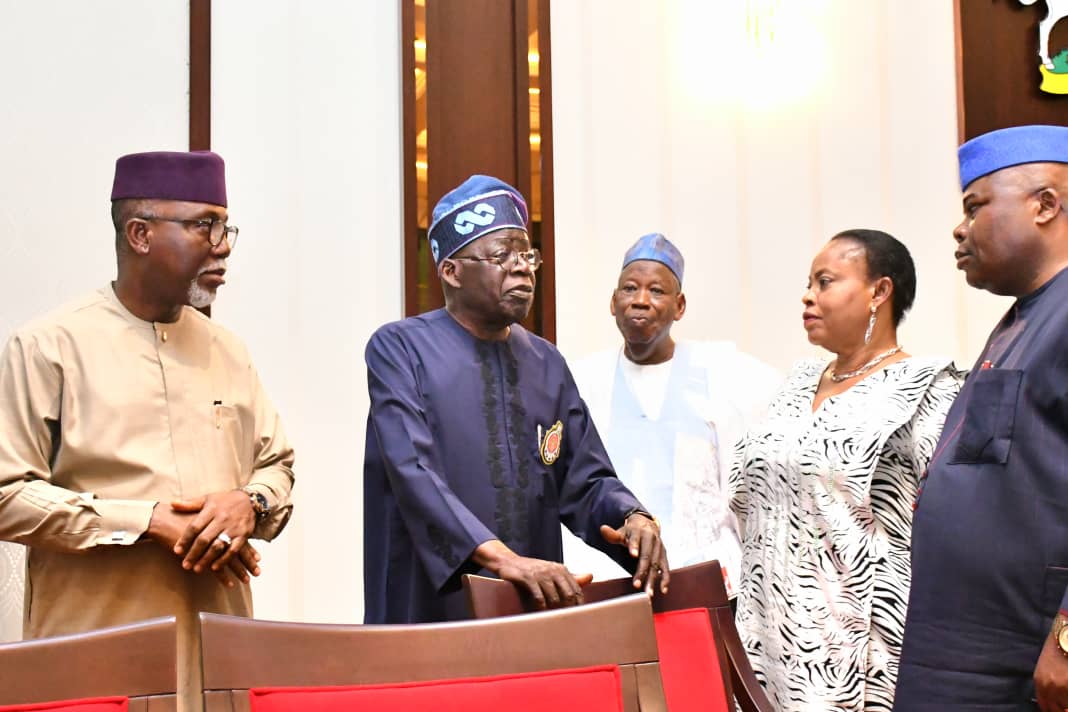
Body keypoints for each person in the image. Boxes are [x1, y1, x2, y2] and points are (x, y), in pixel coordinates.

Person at [0, 150, 295, 707]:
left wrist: (246, 503)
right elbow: (6, 494)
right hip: (94, 659)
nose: (223, 244)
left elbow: (278, 467)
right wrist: (146, 520)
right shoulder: (48, 347)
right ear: (139, 233)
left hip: (217, 662)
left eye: (225, 226)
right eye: (204, 224)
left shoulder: (228, 351)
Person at [363, 175, 669, 624]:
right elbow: (413, 470)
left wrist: (632, 518)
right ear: (451, 270)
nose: (523, 266)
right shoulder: (400, 348)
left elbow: (583, 478)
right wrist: (503, 560)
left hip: (530, 608)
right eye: (501, 255)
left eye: (527, 254)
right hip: (429, 610)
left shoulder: (546, 362)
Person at [730, 229, 962, 711]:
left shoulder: (925, 388)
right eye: (809, 282)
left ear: (880, 291)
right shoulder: (796, 384)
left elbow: (949, 529)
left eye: (825, 281)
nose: (807, 295)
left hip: (854, 651)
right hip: (764, 632)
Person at [894, 125, 1068, 712]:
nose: (959, 228)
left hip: (1023, 664)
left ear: (1044, 205)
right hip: (963, 661)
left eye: (976, 207)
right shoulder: (1021, 319)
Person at [562, 233, 781, 595]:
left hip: (700, 576)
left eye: (657, 291)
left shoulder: (724, 375)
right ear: (613, 302)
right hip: (605, 576)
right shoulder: (581, 380)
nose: (641, 301)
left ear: (679, 306)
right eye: (630, 289)